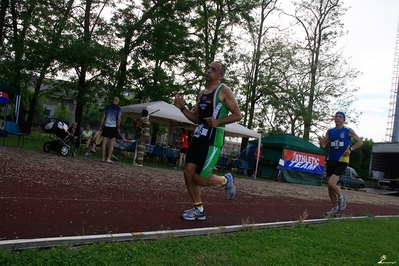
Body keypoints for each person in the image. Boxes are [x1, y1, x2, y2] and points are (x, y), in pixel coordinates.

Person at [174, 61, 242, 221]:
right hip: (199, 137)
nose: (208, 71)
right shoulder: (202, 94)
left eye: (213, 70)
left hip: (213, 139)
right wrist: (182, 108)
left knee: (200, 178)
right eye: (208, 68)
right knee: (188, 173)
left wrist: (218, 122)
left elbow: (238, 115)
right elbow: (196, 118)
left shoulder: (224, 91)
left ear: (221, 75)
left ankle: (225, 180)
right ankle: (199, 209)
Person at [319, 111, 363, 217]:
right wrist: (321, 142)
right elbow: (324, 145)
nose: (337, 118)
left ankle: (341, 198)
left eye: (340, 117)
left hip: (342, 160)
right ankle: (335, 209)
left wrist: (351, 149)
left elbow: (360, 142)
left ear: (343, 120)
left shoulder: (348, 131)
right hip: (331, 160)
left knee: (331, 183)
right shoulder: (330, 132)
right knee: (330, 187)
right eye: (336, 117)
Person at [99, 96, 122, 163]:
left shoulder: (107, 108)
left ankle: (103, 158)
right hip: (113, 126)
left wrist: (100, 126)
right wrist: (118, 127)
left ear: (112, 100)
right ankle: (108, 158)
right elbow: (119, 118)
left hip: (106, 126)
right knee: (112, 143)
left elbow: (103, 118)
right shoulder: (118, 109)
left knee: (104, 142)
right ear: (118, 101)